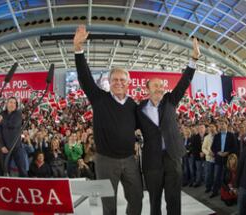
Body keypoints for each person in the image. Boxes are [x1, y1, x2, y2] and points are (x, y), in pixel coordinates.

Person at [74, 24, 143, 215]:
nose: (119, 83)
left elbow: (142, 127)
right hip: (105, 161)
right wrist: (78, 50)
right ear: (109, 82)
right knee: (109, 204)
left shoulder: (133, 106)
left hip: (129, 160)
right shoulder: (100, 99)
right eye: (115, 80)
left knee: (136, 197)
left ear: (128, 83)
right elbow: (85, 78)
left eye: (123, 80)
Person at [136, 37, 200, 215]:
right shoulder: (138, 109)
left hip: (172, 158)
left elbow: (184, 82)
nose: (159, 88)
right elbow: (128, 126)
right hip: (152, 162)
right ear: (147, 89)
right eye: (155, 85)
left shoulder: (170, 100)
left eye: (161, 85)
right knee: (154, 202)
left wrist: (193, 59)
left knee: (174, 201)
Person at [0, 96, 28, 177]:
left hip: (17, 146)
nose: (12, 104)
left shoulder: (18, 113)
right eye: (10, 102)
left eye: (14, 103)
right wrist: (2, 145)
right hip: (5, 147)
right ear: (7, 104)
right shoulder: (1, 114)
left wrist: (2, 121)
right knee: (4, 170)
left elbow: (13, 124)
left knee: (22, 169)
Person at [211, 118, 237, 198]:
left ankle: (226, 193)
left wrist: (227, 152)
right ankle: (215, 191)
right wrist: (218, 152)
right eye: (220, 124)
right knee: (216, 176)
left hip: (228, 160)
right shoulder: (217, 136)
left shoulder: (231, 135)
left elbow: (235, 147)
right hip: (219, 159)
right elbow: (213, 147)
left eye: (223, 124)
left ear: (226, 125)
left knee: (227, 178)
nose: (221, 125)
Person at [202, 122, 217, 193]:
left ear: (215, 127)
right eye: (210, 127)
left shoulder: (218, 136)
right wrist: (208, 153)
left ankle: (215, 189)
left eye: (213, 126)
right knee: (209, 174)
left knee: (216, 175)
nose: (211, 128)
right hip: (209, 159)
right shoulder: (206, 137)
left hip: (217, 159)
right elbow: (203, 148)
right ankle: (208, 187)